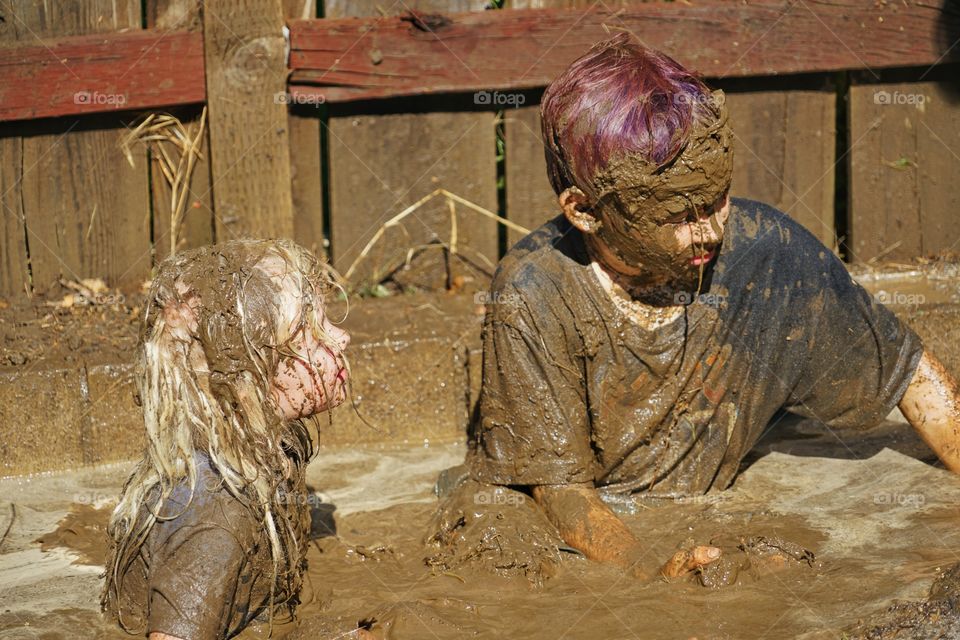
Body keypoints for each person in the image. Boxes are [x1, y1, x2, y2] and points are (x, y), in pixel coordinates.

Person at [467, 34, 960, 580]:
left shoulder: (765, 251)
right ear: (584, 210)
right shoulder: (534, 289)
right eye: (679, 215)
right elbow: (559, 494)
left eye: (718, 197)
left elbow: (910, 374)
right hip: (595, 524)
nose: (710, 228)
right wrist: (651, 575)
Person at [102, 239, 351, 639]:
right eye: (315, 331)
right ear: (247, 378)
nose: (342, 339)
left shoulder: (274, 447)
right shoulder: (216, 515)